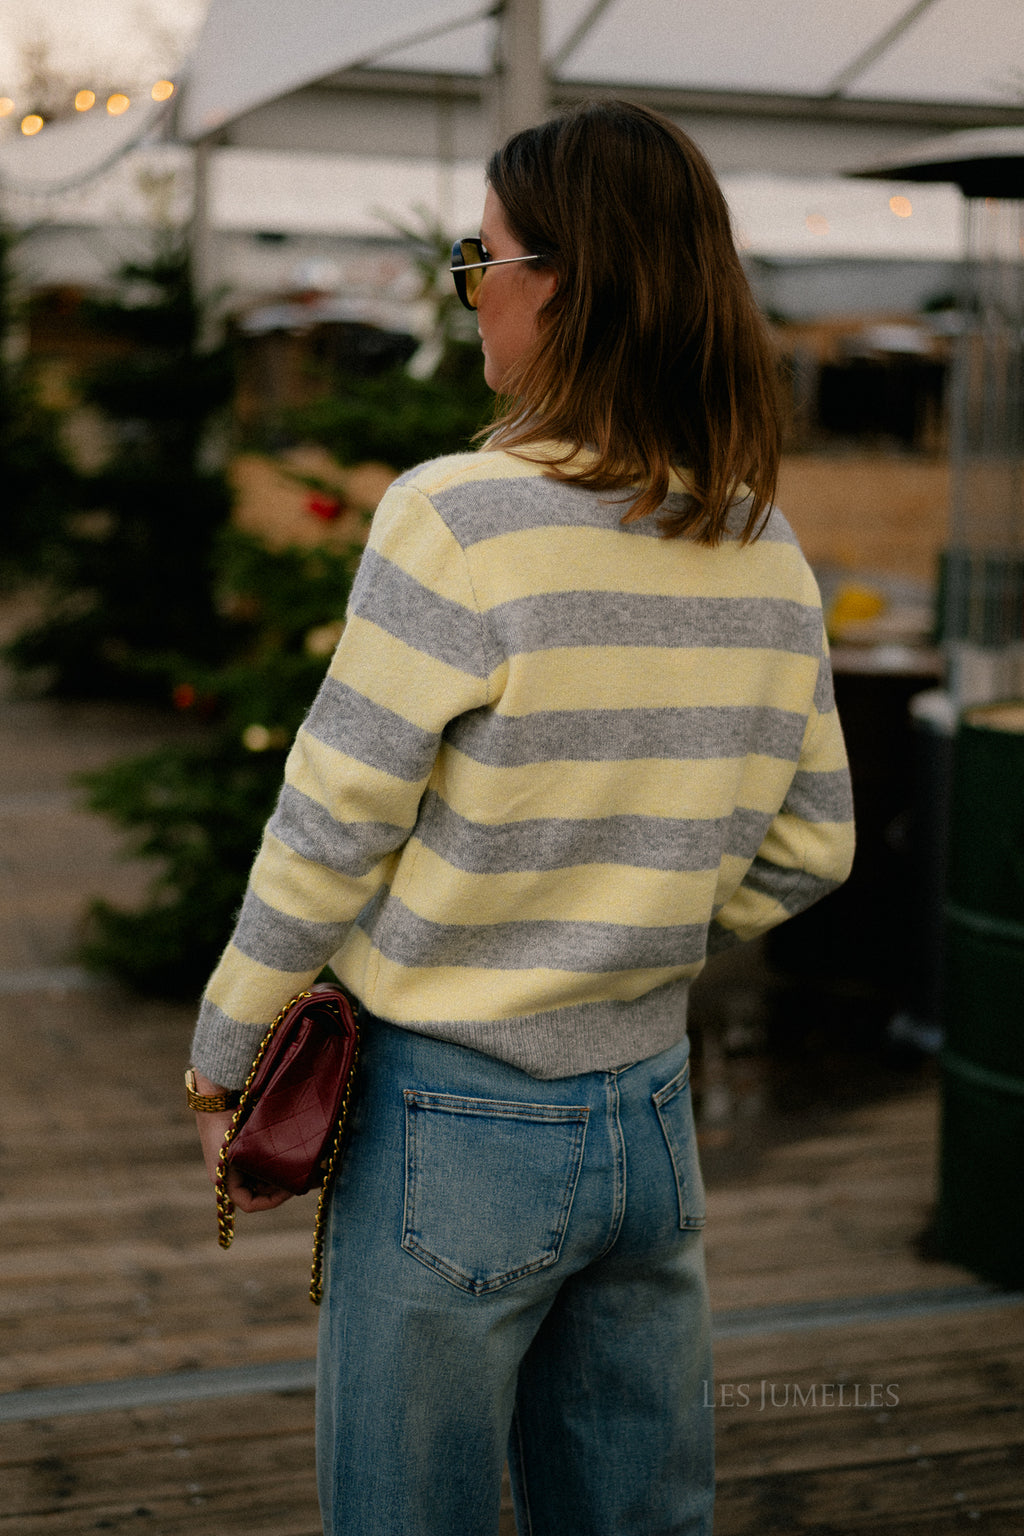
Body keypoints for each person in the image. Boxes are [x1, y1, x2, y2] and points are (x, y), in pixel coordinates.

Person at [190, 99, 855, 1536]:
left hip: (451, 1123)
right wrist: (643, 924)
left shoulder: (458, 518)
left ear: (562, 283)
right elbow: (817, 844)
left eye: (475, 257)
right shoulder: (761, 537)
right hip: (652, 1122)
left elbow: (331, 818)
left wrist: (227, 1055)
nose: (468, 292)